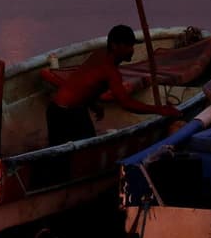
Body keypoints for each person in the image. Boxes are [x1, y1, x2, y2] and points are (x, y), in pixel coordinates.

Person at [46, 24, 182, 146]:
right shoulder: (110, 71)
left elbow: (85, 83)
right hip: (66, 114)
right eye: (127, 45)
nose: (132, 50)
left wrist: (92, 103)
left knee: (82, 146)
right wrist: (159, 110)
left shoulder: (99, 54)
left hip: (58, 109)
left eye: (132, 45)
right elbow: (126, 103)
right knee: (84, 151)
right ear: (114, 46)